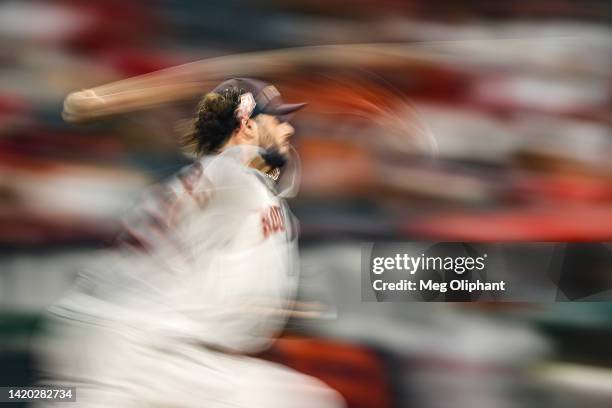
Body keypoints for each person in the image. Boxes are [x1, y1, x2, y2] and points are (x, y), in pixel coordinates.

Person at [34, 78, 345, 408]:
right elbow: (231, 172)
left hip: (150, 350)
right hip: (141, 351)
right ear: (247, 125)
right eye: (277, 120)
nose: (288, 130)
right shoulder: (231, 174)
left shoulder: (232, 185)